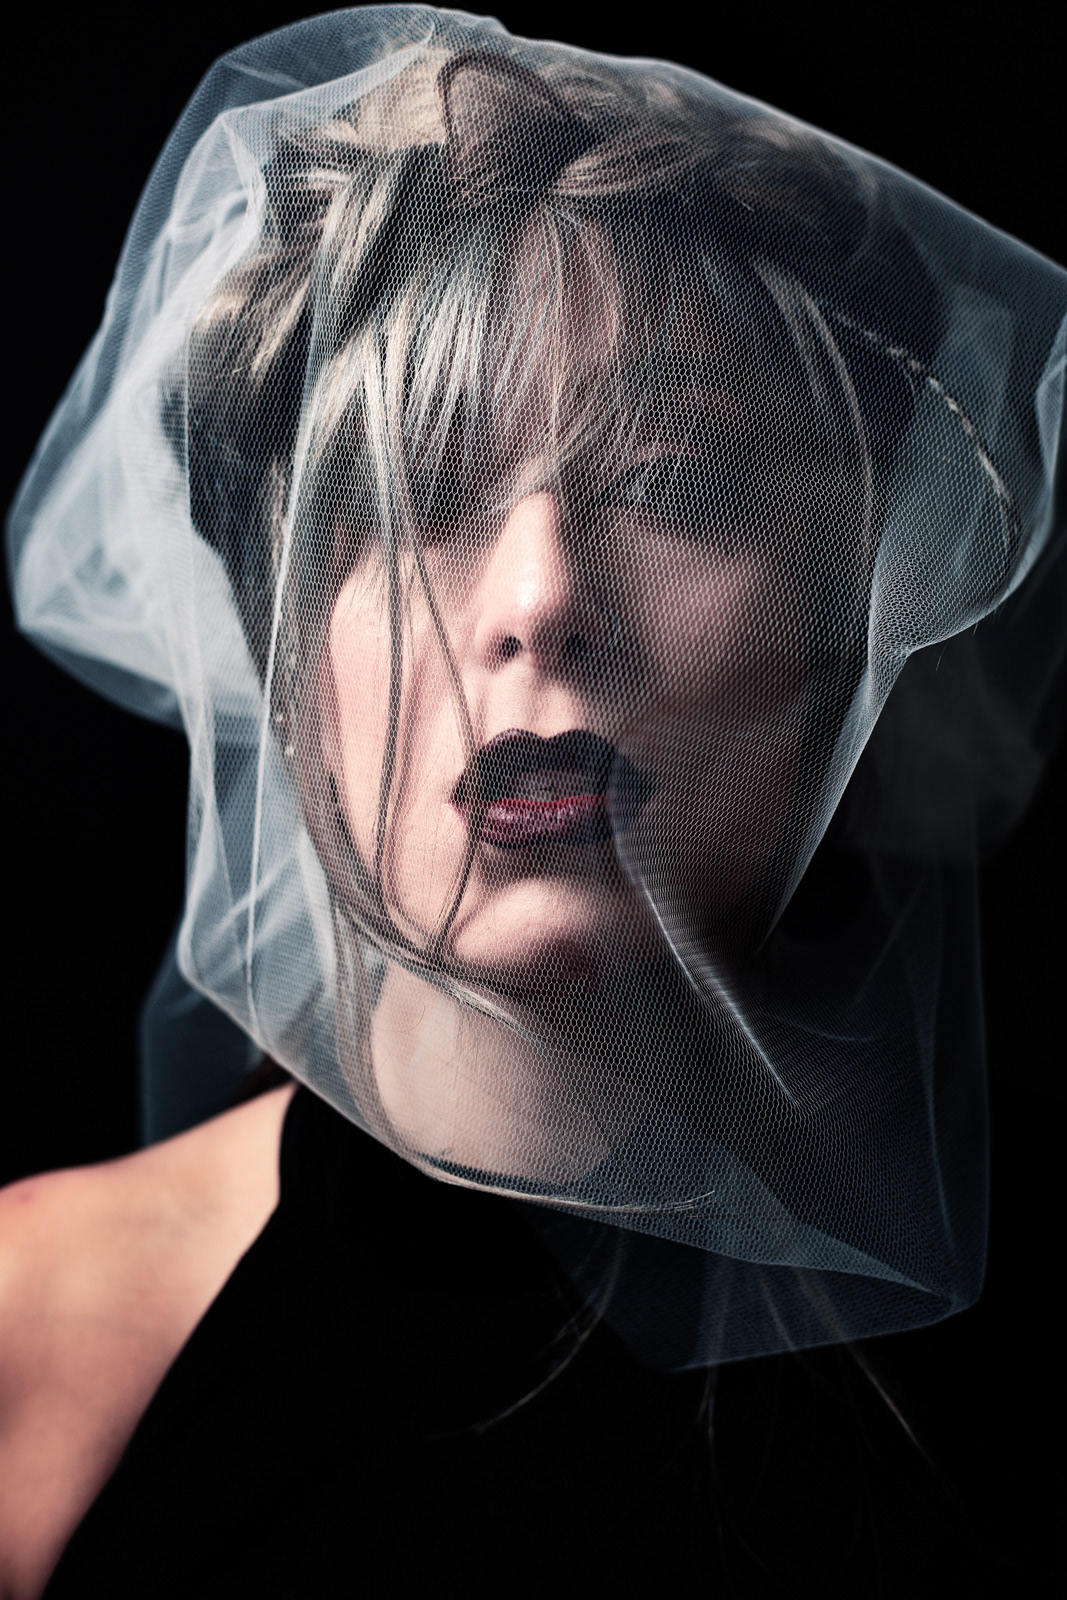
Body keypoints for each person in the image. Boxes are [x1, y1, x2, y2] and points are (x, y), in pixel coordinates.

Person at [2, 8, 1064, 1595]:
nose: (539, 601)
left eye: (676, 483)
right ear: (283, 636)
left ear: (846, 620)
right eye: (413, 490)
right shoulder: (41, 1331)